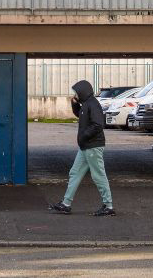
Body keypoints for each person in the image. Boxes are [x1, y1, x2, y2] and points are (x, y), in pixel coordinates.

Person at [49, 81, 114, 216]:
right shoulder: (86, 104)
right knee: (75, 173)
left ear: (83, 91)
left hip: (93, 146)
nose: (75, 94)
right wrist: (74, 104)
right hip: (86, 146)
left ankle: (108, 206)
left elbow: (98, 125)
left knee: (98, 175)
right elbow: (81, 115)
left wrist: (84, 136)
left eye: (76, 92)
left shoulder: (93, 104)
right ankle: (66, 204)